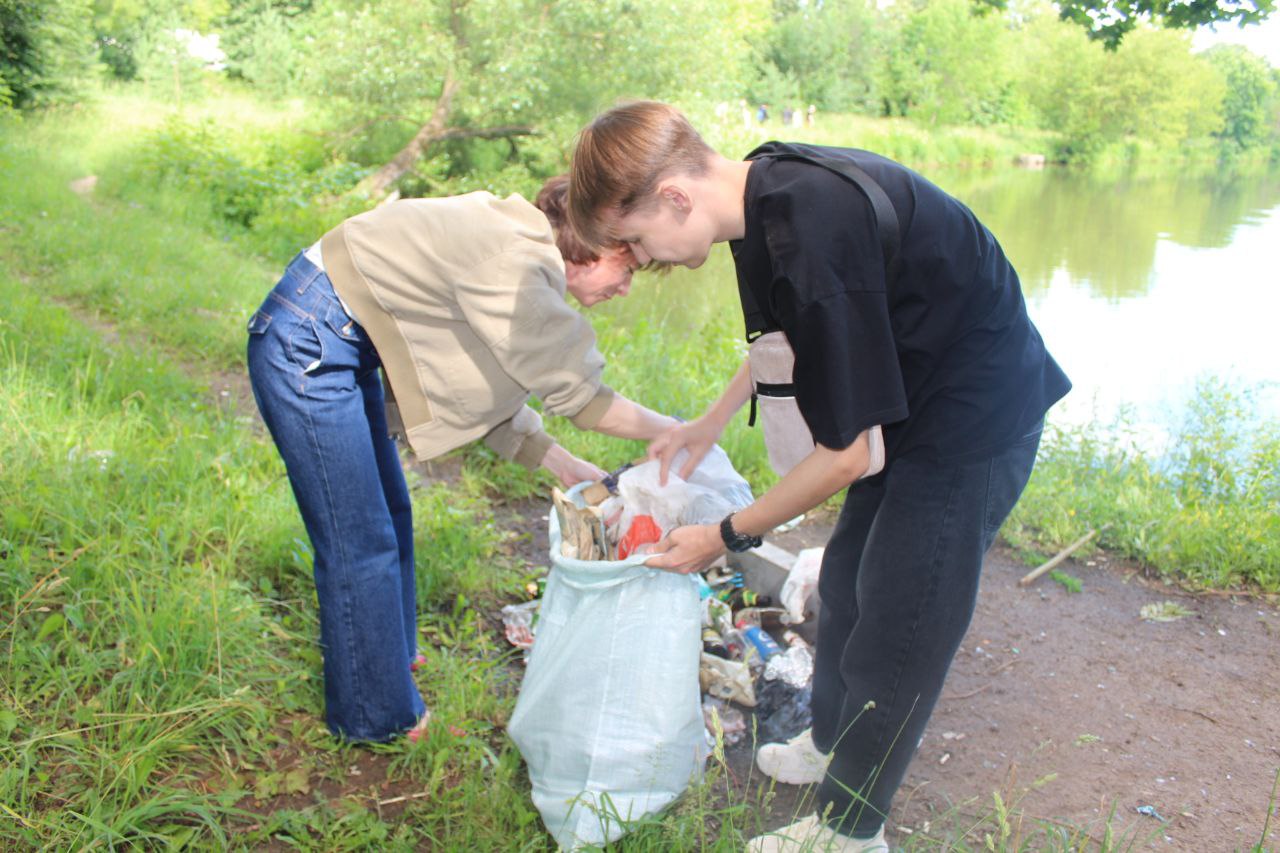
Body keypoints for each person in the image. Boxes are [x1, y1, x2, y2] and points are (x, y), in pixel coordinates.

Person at [567, 102, 1070, 851]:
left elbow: (844, 453)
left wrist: (726, 534)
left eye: (636, 239)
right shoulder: (754, 203)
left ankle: (852, 830)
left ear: (674, 194)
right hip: (903, 396)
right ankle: (832, 741)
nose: (644, 259)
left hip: (971, 412)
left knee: (902, 618)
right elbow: (786, 338)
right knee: (844, 584)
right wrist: (708, 422)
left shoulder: (812, 227)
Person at [246, 175, 676, 744]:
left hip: (333, 335)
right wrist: (679, 432)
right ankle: (378, 719)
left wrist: (566, 466)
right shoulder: (518, 263)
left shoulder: (518, 252)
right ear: (596, 247)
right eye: (629, 268)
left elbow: (483, 385)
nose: (625, 288)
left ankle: (383, 665)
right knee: (359, 539)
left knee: (391, 514)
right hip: (309, 341)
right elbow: (582, 396)